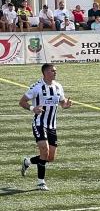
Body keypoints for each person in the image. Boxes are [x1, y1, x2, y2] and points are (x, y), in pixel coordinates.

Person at [19, 63, 72, 191]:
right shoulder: (36, 87)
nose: (55, 73)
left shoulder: (58, 86)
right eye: (52, 71)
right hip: (39, 123)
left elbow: (62, 102)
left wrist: (66, 105)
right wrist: (33, 108)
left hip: (52, 125)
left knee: (50, 157)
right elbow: (22, 102)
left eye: (55, 71)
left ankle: (28, 161)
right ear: (45, 72)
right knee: (44, 149)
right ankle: (40, 182)